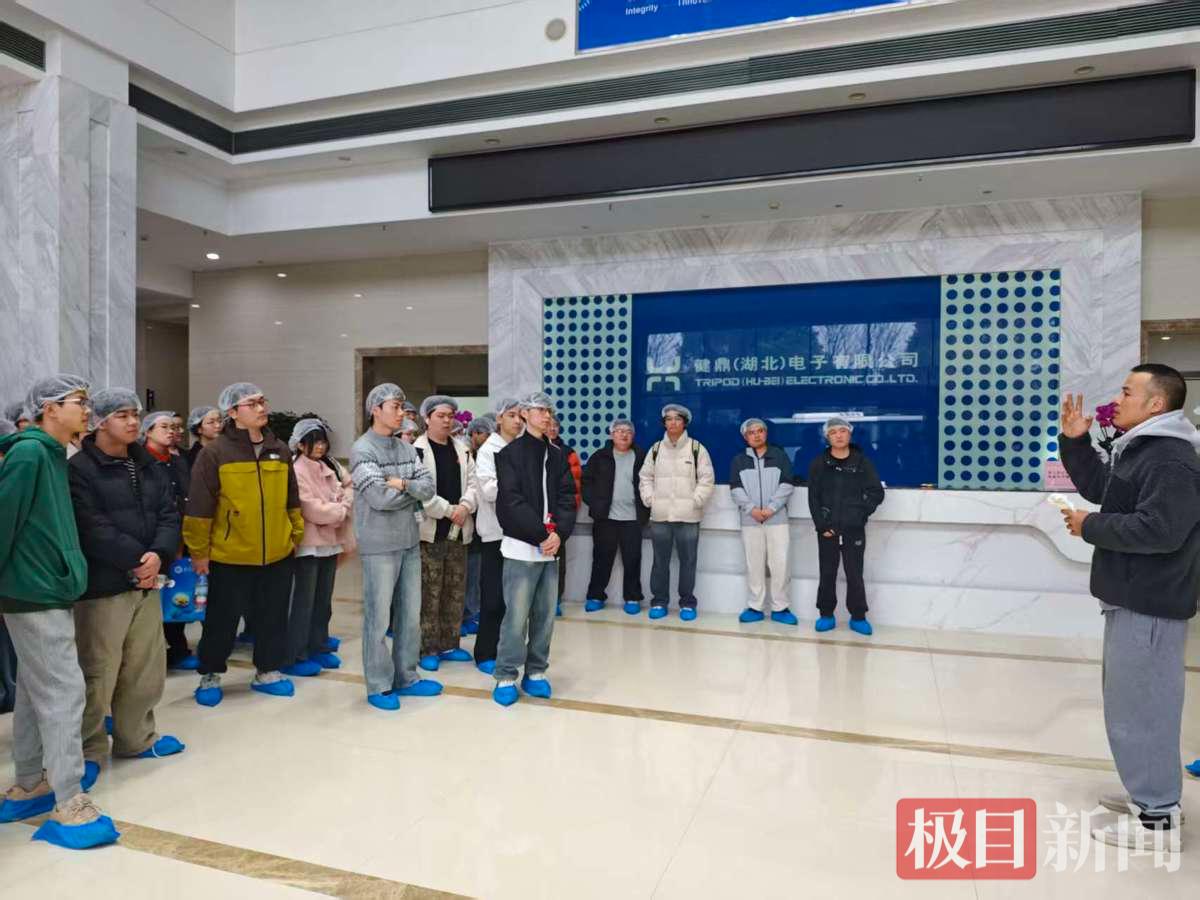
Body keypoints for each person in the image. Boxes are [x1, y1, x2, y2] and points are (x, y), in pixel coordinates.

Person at [1058, 366, 1200, 850]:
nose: (1117, 401)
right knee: (1130, 702)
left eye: (1126, 392)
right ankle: (1149, 796)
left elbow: (1161, 531)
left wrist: (1090, 526)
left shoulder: (1170, 459)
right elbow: (1104, 490)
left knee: (1145, 707)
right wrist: (1076, 441)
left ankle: (1158, 815)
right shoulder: (1143, 449)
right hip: (1132, 594)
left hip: (1150, 599)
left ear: (1156, 403)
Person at [0, 374, 118, 848]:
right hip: (32, 590)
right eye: (78, 402)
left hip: (46, 586)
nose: (86, 410)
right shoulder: (29, 454)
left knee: (35, 690)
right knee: (65, 692)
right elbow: (3, 521)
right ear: (50, 409)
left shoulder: (51, 453)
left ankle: (30, 782)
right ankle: (69, 801)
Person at [68, 389, 186, 789]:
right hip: (104, 587)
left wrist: (158, 555)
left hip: (147, 583)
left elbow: (169, 514)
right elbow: (91, 525)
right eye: (122, 415)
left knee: (144, 665)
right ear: (100, 421)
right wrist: (136, 560)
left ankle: (137, 738)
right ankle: (88, 750)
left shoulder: (147, 465)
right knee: (98, 671)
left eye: (135, 414)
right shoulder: (80, 469)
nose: (134, 422)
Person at [182, 383, 305, 706]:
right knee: (222, 620)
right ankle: (210, 673)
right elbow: (200, 506)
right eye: (252, 404)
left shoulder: (279, 449)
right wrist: (199, 551)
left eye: (262, 401)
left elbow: (292, 498)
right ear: (233, 412)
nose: (261, 408)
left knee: (273, 616)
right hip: (230, 555)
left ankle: (268, 671)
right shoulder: (215, 453)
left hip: (276, 553)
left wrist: (294, 534)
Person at [350, 383, 440, 710]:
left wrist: (401, 484)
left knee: (410, 616)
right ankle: (378, 685)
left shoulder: (405, 448)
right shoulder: (363, 450)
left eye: (403, 407)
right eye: (395, 407)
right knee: (378, 619)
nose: (402, 413)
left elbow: (429, 488)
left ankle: (407, 677)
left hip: (409, 542)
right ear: (375, 410)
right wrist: (410, 491)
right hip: (379, 545)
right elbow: (379, 498)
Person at [492, 391, 577, 706]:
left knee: (545, 616)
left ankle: (536, 672)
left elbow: (567, 497)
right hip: (521, 548)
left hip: (550, 550)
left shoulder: (557, 455)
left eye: (549, 411)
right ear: (525, 414)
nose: (546, 416)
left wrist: (559, 534)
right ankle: (505, 675)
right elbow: (511, 501)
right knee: (516, 618)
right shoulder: (509, 454)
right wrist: (541, 535)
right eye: (540, 410)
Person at [413, 396, 479, 671]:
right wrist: (449, 510)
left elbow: (474, 484)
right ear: (427, 418)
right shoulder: (417, 451)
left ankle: (450, 644)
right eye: (440, 415)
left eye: (450, 415)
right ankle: (427, 648)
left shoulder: (462, 449)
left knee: (455, 590)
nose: (446, 420)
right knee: (430, 592)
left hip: (459, 531)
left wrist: (464, 506)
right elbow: (420, 492)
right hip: (430, 532)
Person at [807, 416, 884, 636]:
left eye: (842, 431)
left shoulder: (862, 462)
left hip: (854, 529)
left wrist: (860, 514)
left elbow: (876, 493)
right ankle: (826, 614)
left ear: (849, 434)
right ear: (827, 437)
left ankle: (858, 616)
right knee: (827, 572)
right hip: (827, 529)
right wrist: (821, 525)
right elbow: (813, 498)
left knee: (854, 574)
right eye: (833, 432)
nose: (838, 435)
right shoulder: (819, 464)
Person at [286, 418, 352, 674]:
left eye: (323, 441)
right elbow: (312, 509)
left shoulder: (326, 466)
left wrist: (339, 506)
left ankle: (318, 646)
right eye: (314, 442)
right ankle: (296, 654)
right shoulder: (297, 469)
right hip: (309, 545)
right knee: (304, 601)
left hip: (330, 542)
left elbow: (345, 490)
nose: (321, 447)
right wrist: (340, 510)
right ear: (300, 444)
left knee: (323, 600)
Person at [638, 404, 715, 621]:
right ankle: (659, 601)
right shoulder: (655, 449)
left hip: (688, 517)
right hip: (660, 516)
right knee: (659, 562)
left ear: (685, 423)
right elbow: (645, 477)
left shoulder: (696, 448)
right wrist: (650, 499)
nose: (673, 423)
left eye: (677, 419)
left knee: (688, 561)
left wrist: (695, 501)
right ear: (664, 424)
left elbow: (707, 479)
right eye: (668, 419)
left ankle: (687, 603)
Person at [730, 418, 797, 625]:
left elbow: (787, 484)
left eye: (760, 431)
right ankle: (755, 606)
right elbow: (735, 489)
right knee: (754, 565)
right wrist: (752, 510)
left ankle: (780, 608)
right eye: (751, 432)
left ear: (766, 433)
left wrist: (770, 509)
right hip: (750, 520)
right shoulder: (739, 460)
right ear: (745, 437)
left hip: (777, 519)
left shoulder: (779, 456)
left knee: (780, 565)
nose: (756, 435)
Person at [143, 410, 196, 669]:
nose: (171, 431)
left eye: (173, 427)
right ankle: (153, 653)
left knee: (177, 593)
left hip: (180, 536)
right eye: (163, 427)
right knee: (152, 599)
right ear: (148, 432)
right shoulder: (141, 463)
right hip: (153, 540)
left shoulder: (178, 462)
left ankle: (178, 648)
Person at [474, 398, 522, 673]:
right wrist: (518, 485)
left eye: (520, 416)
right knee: (493, 597)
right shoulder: (488, 450)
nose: (517, 421)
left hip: (519, 534)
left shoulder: (520, 448)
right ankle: (484, 653)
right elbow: (490, 491)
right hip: (495, 534)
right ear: (499, 419)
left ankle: (507, 651)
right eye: (512, 415)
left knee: (513, 600)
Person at [582, 418, 649, 615]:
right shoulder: (599, 456)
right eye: (619, 430)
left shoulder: (642, 456)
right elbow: (586, 482)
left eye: (628, 431)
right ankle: (595, 596)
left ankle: (632, 598)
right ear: (612, 434)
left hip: (633, 518)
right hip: (606, 518)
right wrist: (595, 503)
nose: (624, 434)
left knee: (632, 560)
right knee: (601, 559)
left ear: (633, 436)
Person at [461, 418, 495, 636]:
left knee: (478, 574)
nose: (488, 438)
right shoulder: (466, 455)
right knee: (468, 575)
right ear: (474, 434)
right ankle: (468, 613)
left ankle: (474, 611)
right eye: (484, 434)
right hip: (465, 521)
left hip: (482, 526)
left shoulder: (488, 455)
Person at [546, 416, 582, 616]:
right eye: (548, 425)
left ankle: (555, 600)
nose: (552, 429)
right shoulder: (532, 450)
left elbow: (574, 487)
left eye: (556, 426)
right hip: (536, 516)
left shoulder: (567, 453)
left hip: (559, 516)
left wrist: (567, 515)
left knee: (557, 560)